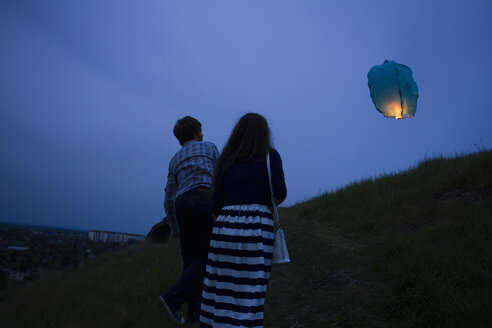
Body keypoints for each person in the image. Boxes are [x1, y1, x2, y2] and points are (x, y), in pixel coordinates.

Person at [200, 113, 287, 328]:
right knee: (252, 289)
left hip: (226, 225)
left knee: (222, 288)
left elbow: (216, 204)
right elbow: (280, 193)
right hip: (258, 227)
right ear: (264, 133)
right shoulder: (270, 156)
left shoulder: (226, 160)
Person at [160, 116, 219, 324]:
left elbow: (168, 197)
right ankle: (172, 299)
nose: (203, 135)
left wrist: (175, 227)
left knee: (190, 260)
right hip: (203, 198)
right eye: (201, 131)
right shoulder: (210, 148)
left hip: (182, 205)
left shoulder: (174, 159)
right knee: (208, 256)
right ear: (196, 133)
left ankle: (195, 314)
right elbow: (220, 178)